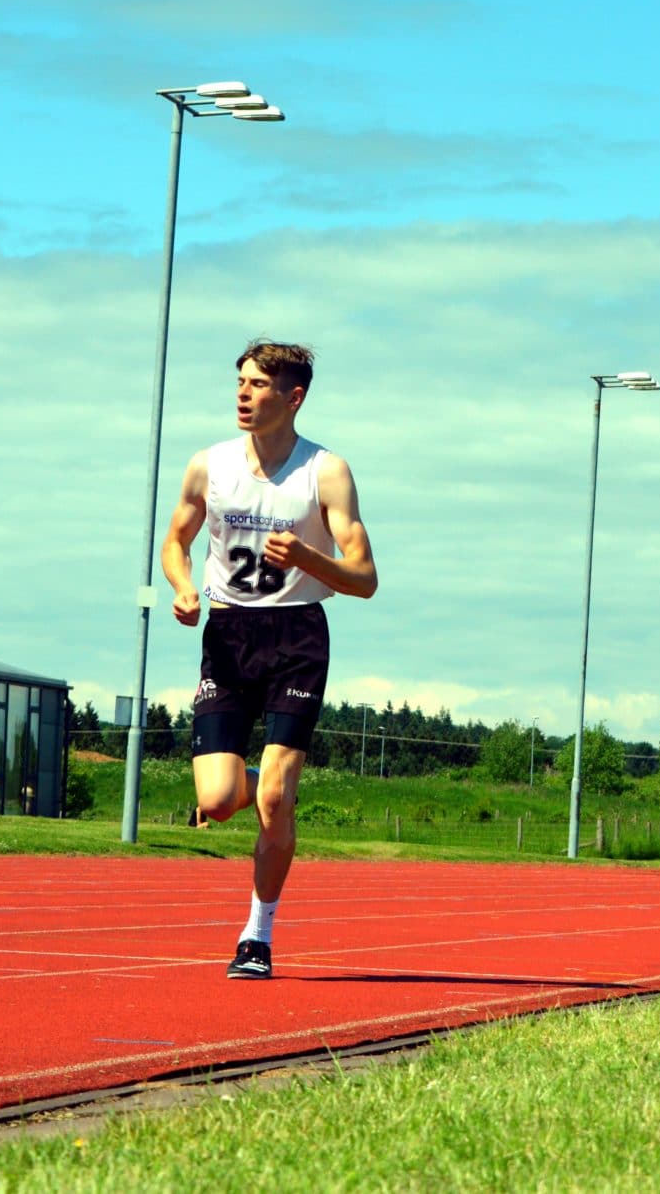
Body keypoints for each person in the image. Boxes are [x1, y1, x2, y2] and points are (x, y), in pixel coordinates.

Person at [164, 340, 377, 981]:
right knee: (218, 799)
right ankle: (261, 788)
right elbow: (176, 539)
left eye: (258, 384)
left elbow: (364, 577)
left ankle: (256, 936)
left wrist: (307, 557)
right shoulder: (209, 465)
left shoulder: (326, 472)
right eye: (240, 381)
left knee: (278, 796)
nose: (243, 393)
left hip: (297, 636)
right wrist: (182, 586)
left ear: (294, 397)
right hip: (228, 636)